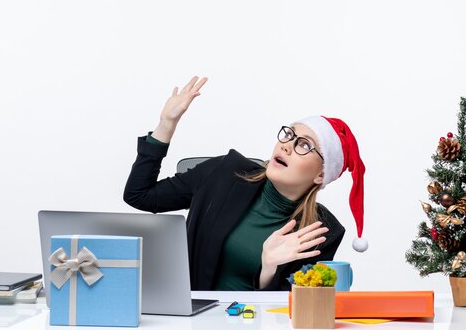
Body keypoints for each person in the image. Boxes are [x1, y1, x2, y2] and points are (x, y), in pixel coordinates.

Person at [124, 76, 367, 291]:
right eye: (289, 135)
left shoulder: (322, 231)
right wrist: (167, 124)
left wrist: (268, 268)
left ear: (321, 175)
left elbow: (296, 313)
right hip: (194, 320)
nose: (286, 146)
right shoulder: (224, 173)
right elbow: (139, 195)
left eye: (304, 145)